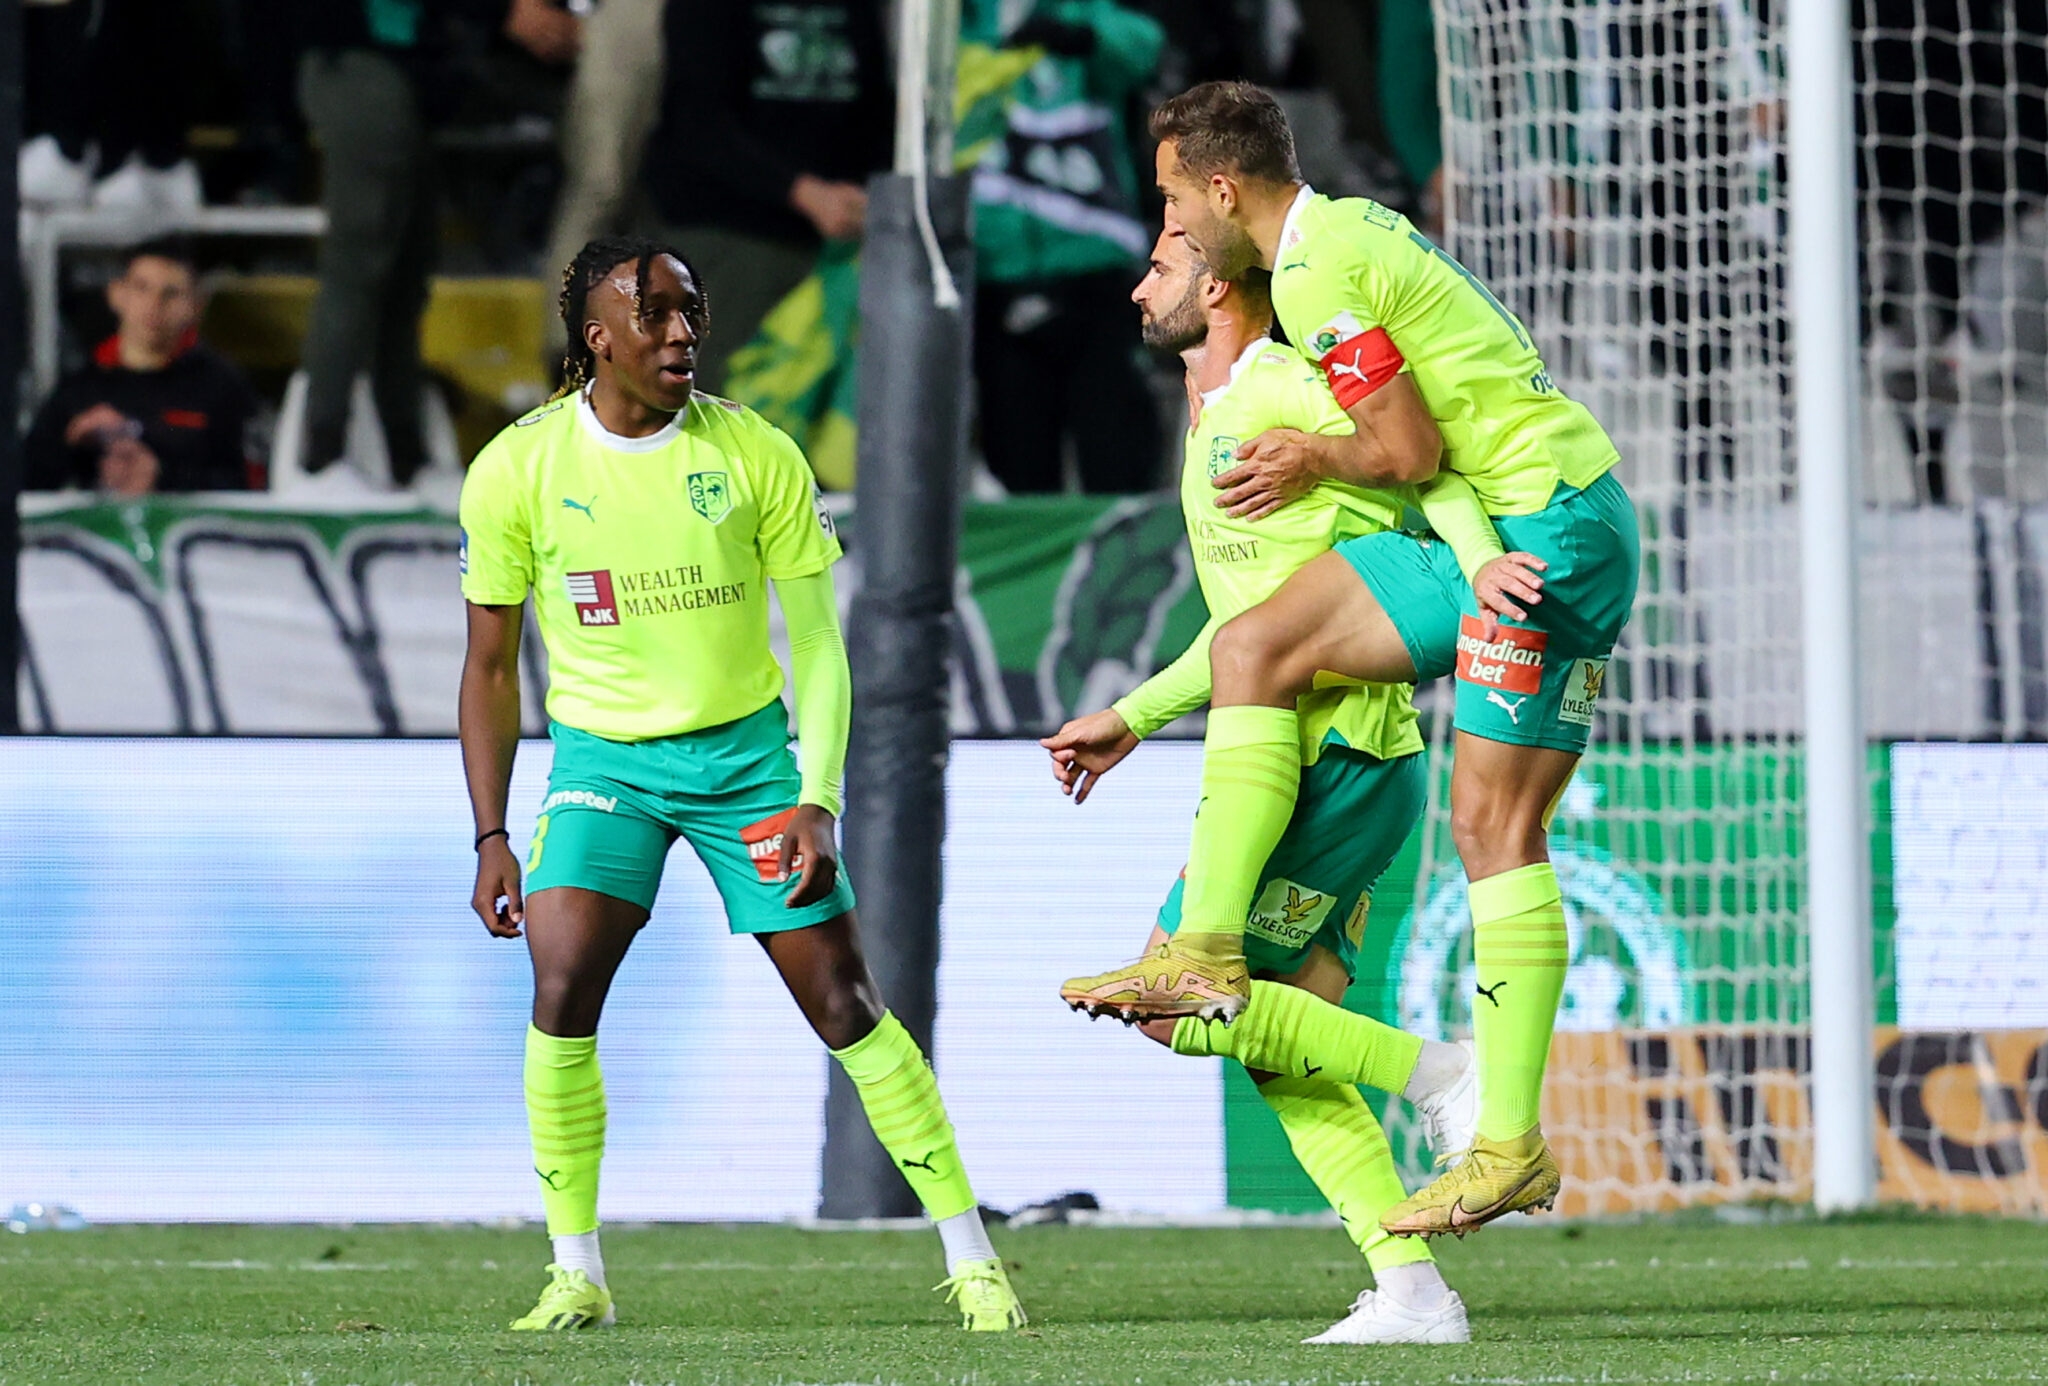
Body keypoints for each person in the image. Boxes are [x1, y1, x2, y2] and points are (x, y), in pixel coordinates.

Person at [1064, 81, 1639, 1239]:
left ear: (1220, 189)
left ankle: (1473, 1119)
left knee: (1477, 816)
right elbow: (1432, 452)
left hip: (1539, 531)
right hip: (1549, 520)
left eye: (1174, 202)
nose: (1168, 226)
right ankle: (1476, 1160)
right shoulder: (1342, 234)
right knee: (1465, 812)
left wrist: (1315, 458)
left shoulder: (1311, 278)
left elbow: (1408, 450)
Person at [457, 237, 1025, 1333]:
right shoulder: (517, 469)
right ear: (598, 338)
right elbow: (487, 667)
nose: (683, 333)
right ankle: (576, 1273)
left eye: (691, 310)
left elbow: (817, 643)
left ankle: (973, 1260)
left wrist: (818, 796)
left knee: (844, 1003)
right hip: (605, 763)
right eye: (656, 314)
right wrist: (490, 835)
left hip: (746, 764)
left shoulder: (755, 452)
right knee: (559, 982)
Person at [1046, 226, 1520, 1344]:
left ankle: (1444, 1073)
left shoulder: (1287, 382)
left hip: (1329, 758)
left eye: (1159, 268)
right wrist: (1135, 715)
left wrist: (1482, 561)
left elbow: (1425, 461)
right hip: (1338, 763)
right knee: (1281, 1043)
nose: (1136, 289)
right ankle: (1412, 1294)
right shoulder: (1208, 410)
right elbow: (1244, 629)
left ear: (1216, 285)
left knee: (1178, 1007)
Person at [296, 0, 577, 488]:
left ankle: (405, 459)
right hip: (361, 61)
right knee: (359, 268)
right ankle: (321, 459)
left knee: (405, 278)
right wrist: (502, 11)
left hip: (401, 74)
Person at [640, 0, 892, 395]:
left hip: (835, 247)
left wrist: (868, 194)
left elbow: (877, 105)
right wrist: (803, 192)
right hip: (730, 234)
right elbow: (699, 123)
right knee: (716, 403)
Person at [965, 0, 1166, 494]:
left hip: (1096, 271)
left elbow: (1143, 48)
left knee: (1117, 452)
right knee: (1017, 464)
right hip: (994, 275)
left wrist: (1080, 34)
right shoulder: (952, 22)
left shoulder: (1077, 12)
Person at [25, 240, 259, 495]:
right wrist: (71, 441)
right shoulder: (79, 389)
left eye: (171, 293)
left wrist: (162, 477)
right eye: (141, 288)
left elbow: (252, 486)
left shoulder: (221, 386)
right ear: (116, 294)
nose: (154, 304)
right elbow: (25, 482)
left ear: (195, 306)